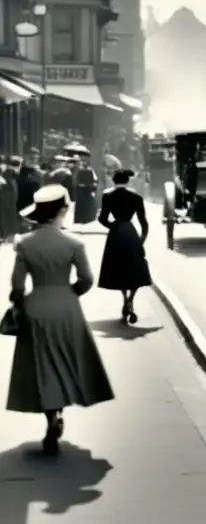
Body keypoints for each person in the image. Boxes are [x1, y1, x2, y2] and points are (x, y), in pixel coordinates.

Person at [6, 184, 115, 455]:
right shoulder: (73, 244)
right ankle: (60, 410)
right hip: (66, 306)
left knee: (41, 365)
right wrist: (70, 294)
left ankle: (50, 416)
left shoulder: (25, 244)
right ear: (61, 212)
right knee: (66, 360)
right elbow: (87, 279)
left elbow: (17, 286)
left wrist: (19, 303)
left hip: (37, 304)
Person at [97, 169, 151, 324]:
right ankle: (131, 300)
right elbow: (144, 224)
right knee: (135, 268)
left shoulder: (108, 197)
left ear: (114, 181)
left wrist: (113, 226)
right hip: (130, 232)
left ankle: (124, 298)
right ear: (128, 182)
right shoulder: (136, 198)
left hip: (116, 234)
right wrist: (141, 241)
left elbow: (102, 218)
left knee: (119, 268)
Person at [73, 157, 100, 223]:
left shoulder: (79, 171)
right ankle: (87, 218)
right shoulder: (90, 170)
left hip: (80, 189)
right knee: (87, 204)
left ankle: (79, 218)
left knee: (80, 204)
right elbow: (94, 179)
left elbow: (76, 180)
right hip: (88, 189)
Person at [0, 155, 18, 242]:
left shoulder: (8, 175)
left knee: (6, 218)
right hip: (7, 200)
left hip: (6, 200)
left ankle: (6, 235)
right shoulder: (8, 175)